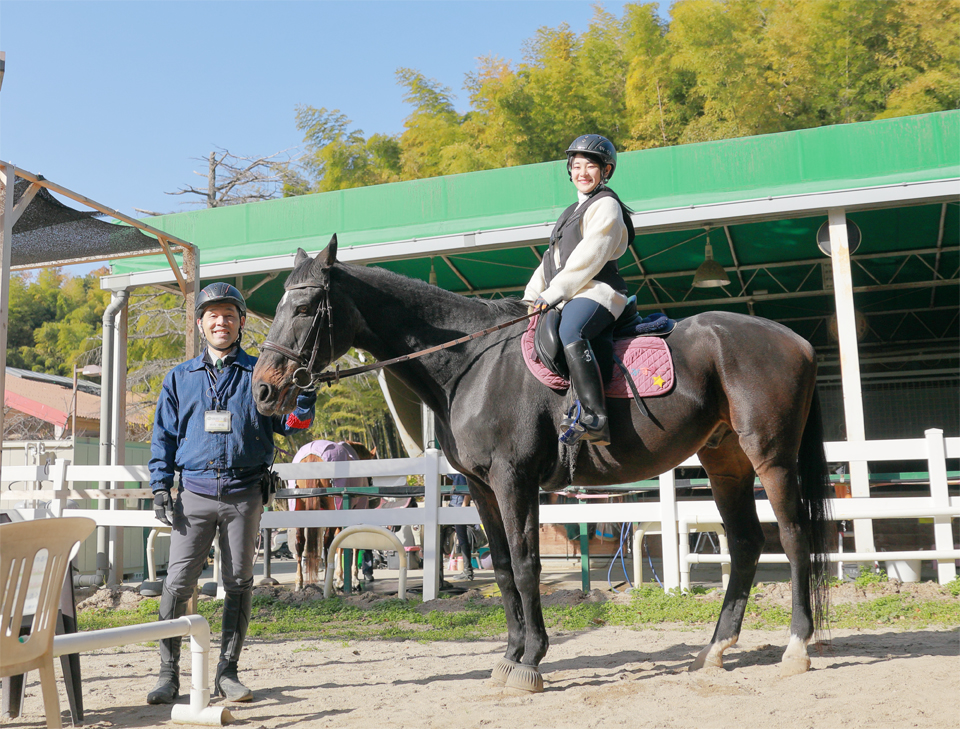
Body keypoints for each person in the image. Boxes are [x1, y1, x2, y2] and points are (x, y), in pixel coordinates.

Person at [148, 282, 317, 705]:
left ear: (241, 323)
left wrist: (306, 399)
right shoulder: (178, 378)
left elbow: (292, 426)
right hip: (195, 494)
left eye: (229, 315)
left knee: (238, 581)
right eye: (212, 315)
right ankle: (168, 674)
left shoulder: (261, 372)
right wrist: (159, 487)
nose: (220, 322)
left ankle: (228, 671)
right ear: (201, 324)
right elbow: (163, 438)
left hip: (245, 494)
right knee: (178, 579)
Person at [523, 134, 635, 446]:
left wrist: (552, 294)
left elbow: (590, 257)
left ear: (606, 171)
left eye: (590, 166)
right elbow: (551, 261)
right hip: (571, 292)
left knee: (572, 330)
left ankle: (594, 417)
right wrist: (532, 297)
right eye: (576, 166)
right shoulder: (570, 211)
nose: (582, 172)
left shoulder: (607, 205)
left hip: (598, 291)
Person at [448, 474, 474, 581]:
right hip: (455, 505)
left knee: (462, 538)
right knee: (461, 538)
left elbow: (467, 490)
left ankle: (468, 572)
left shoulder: (459, 474)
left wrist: (464, 506)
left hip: (458, 506)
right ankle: (467, 571)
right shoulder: (456, 474)